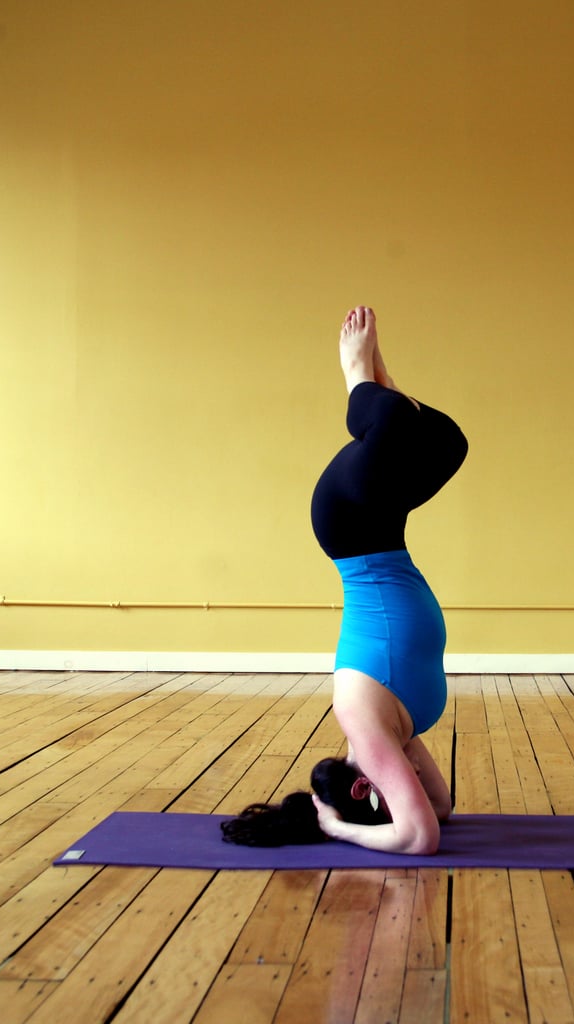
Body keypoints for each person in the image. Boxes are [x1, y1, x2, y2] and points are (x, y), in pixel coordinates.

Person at [222, 307, 467, 854]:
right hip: (379, 533)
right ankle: (382, 382)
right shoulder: (395, 739)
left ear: (368, 786)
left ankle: (358, 375)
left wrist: (338, 829)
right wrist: (347, 820)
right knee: (448, 443)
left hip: (348, 527)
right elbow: (440, 813)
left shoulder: (363, 725)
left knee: (397, 432)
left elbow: (418, 837)